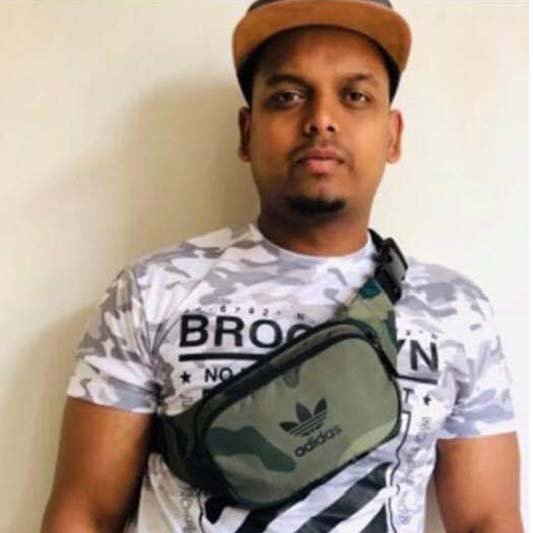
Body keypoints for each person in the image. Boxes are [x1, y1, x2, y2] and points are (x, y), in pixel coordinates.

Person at [41, 0, 523, 532]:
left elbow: (487, 519)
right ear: (246, 132)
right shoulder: (152, 291)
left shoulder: (456, 311)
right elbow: (85, 512)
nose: (321, 119)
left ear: (392, 135)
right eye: (288, 96)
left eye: (355, 96)